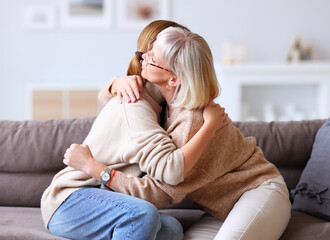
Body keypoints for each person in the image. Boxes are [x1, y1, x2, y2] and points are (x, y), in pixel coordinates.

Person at [67, 25, 292, 239]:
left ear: (174, 79)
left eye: (153, 58)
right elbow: (124, 107)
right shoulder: (166, 105)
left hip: (260, 194)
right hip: (223, 210)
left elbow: (158, 193)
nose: (142, 57)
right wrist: (116, 83)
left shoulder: (194, 122)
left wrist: (97, 169)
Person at [41, 20, 228, 240]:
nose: (146, 59)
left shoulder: (162, 107)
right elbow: (170, 170)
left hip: (105, 196)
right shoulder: (136, 103)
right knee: (143, 215)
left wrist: (114, 83)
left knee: (172, 230)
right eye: (151, 53)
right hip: (70, 200)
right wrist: (209, 126)